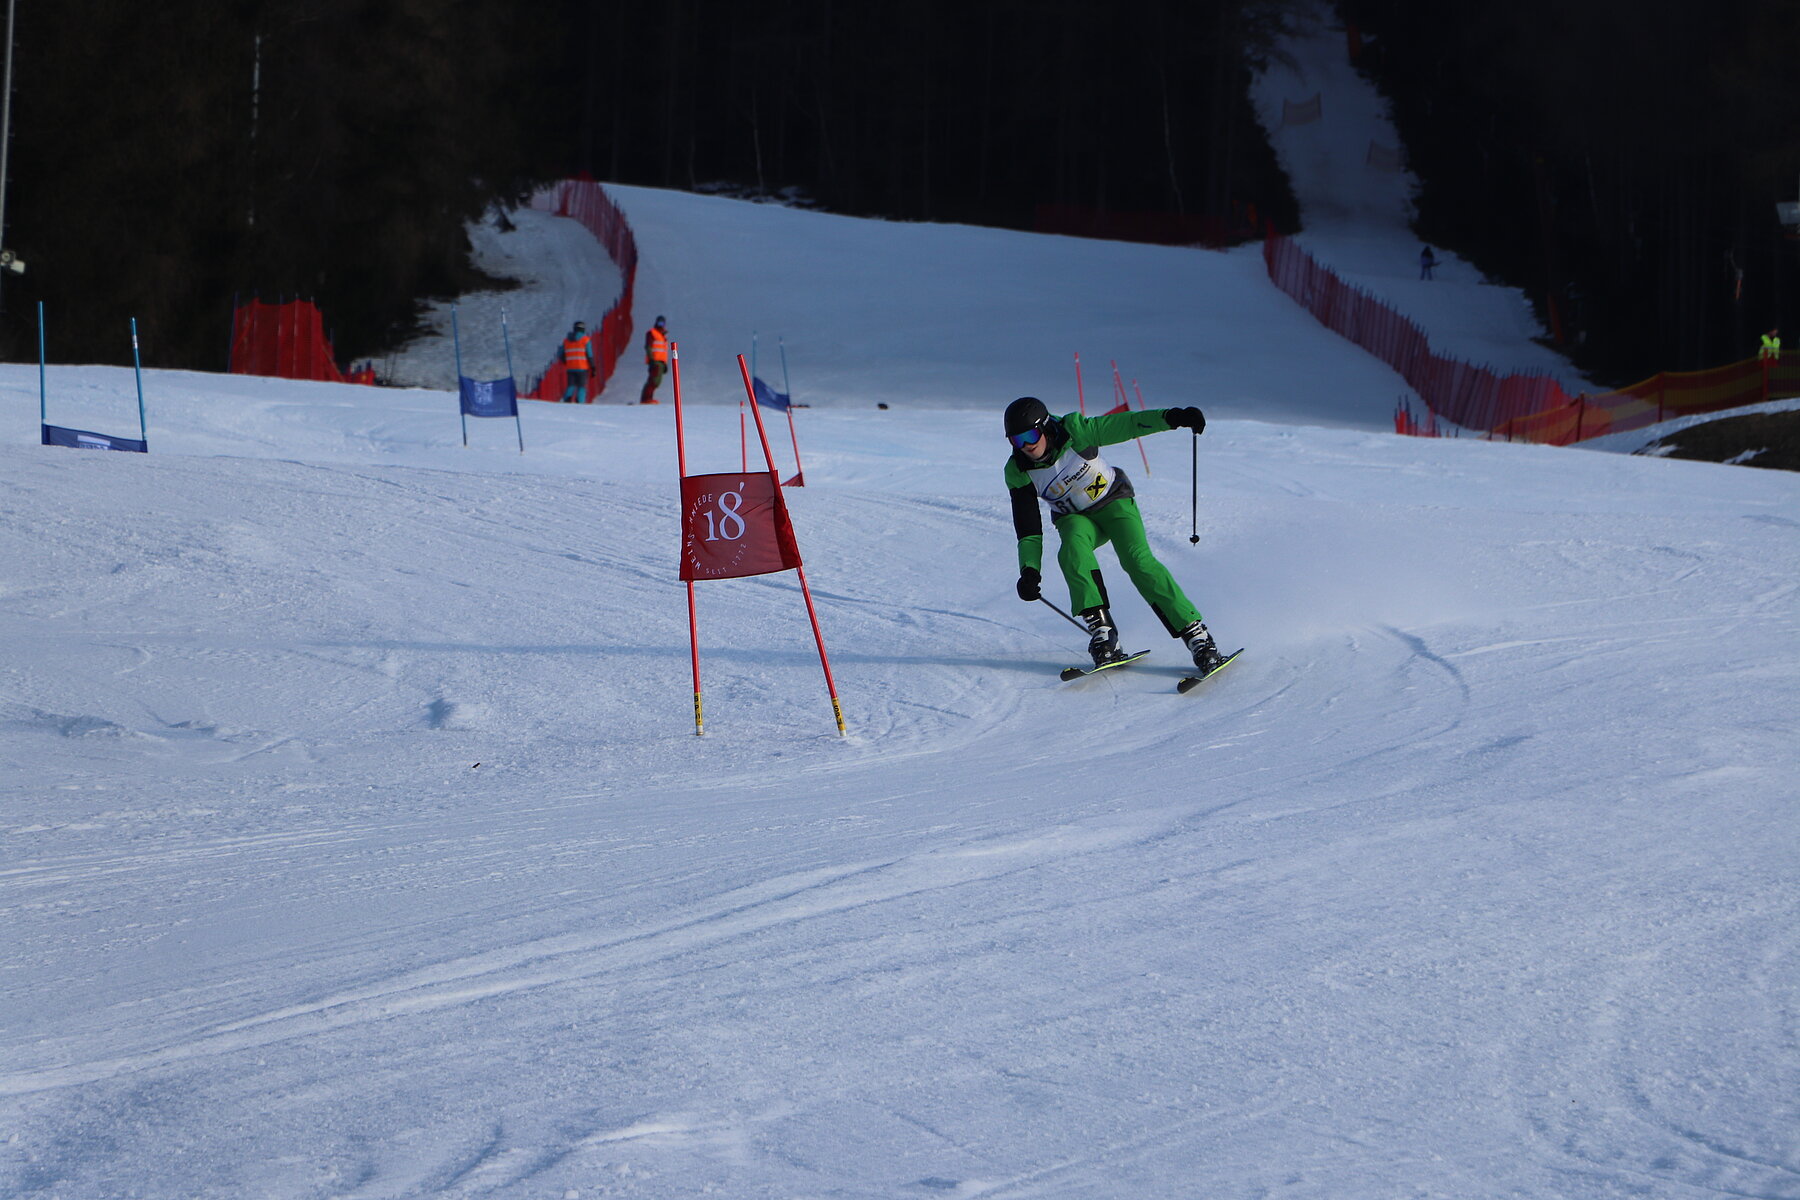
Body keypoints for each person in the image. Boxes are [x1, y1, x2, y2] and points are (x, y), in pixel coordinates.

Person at [1003, 396, 1227, 674]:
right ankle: (1103, 632)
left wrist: (1172, 417)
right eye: (1016, 440)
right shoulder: (1018, 471)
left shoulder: (1076, 431)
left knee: (1138, 561)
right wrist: (1029, 570)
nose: (1026, 446)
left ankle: (1197, 636)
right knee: (1072, 551)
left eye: (1030, 436)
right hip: (1075, 519)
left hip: (1114, 504)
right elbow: (1028, 529)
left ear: (1045, 427)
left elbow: (1128, 424)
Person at [559, 321, 593, 403]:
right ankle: (580, 402)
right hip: (582, 368)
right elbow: (590, 355)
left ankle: (566, 400)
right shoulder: (585, 340)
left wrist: (566, 361)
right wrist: (593, 366)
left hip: (570, 367)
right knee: (581, 386)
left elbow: (560, 354)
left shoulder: (566, 340)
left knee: (571, 385)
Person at [641, 315, 669, 404]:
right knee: (653, 381)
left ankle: (649, 398)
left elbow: (663, 350)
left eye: (662, 323)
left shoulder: (662, 335)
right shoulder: (652, 333)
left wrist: (664, 363)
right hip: (655, 361)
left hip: (661, 362)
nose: (660, 325)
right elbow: (648, 347)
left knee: (657, 382)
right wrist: (651, 359)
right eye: (659, 322)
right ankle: (646, 398)